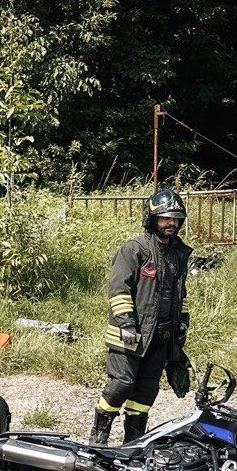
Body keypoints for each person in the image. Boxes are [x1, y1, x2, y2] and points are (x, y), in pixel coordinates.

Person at [90, 189, 193, 445]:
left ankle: (133, 442)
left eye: (176, 218)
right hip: (131, 333)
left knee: (147, 390)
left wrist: (180, 329)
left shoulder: (180, 253)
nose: (171, 223)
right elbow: (118, 288)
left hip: (161, 336)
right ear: (152, 219)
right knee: (123, 383)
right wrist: (126, 322)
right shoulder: (134, 249)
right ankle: (99, 434)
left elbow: (182, 295)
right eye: (165, 218)